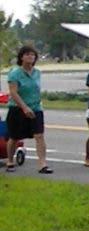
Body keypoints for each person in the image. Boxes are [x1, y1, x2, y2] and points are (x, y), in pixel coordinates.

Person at [5, 45, 52, 174]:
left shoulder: (37, 72)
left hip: (36, 108)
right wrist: (24, 107)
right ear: (21, 57)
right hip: (17, 108)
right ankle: (10, 161)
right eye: (27, 54)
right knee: (14, 137)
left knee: (39, 135)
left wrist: (36, 104)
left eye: (32, 55)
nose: (30, 57)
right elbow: (13, 93)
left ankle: (43, 164)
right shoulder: (15, 73)